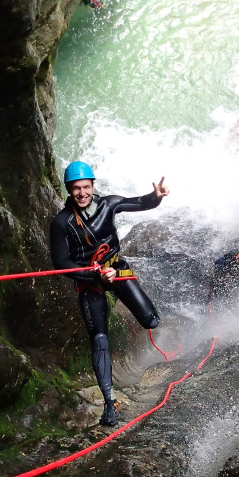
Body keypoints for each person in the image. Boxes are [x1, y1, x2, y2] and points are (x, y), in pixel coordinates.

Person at [50, 161, 170, 427]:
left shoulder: (109, 204)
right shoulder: (62, 223)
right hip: (90, 280)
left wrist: (156, 197)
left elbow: (140, 203)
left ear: (93, 186)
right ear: (69, 190)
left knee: (151, 321)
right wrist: (94, 275)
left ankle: (125, 302)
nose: (82, 193)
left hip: (116, 269)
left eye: (86, 187)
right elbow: (61, 264)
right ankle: (109, 402)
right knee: (100, 339)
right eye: (76, 188)